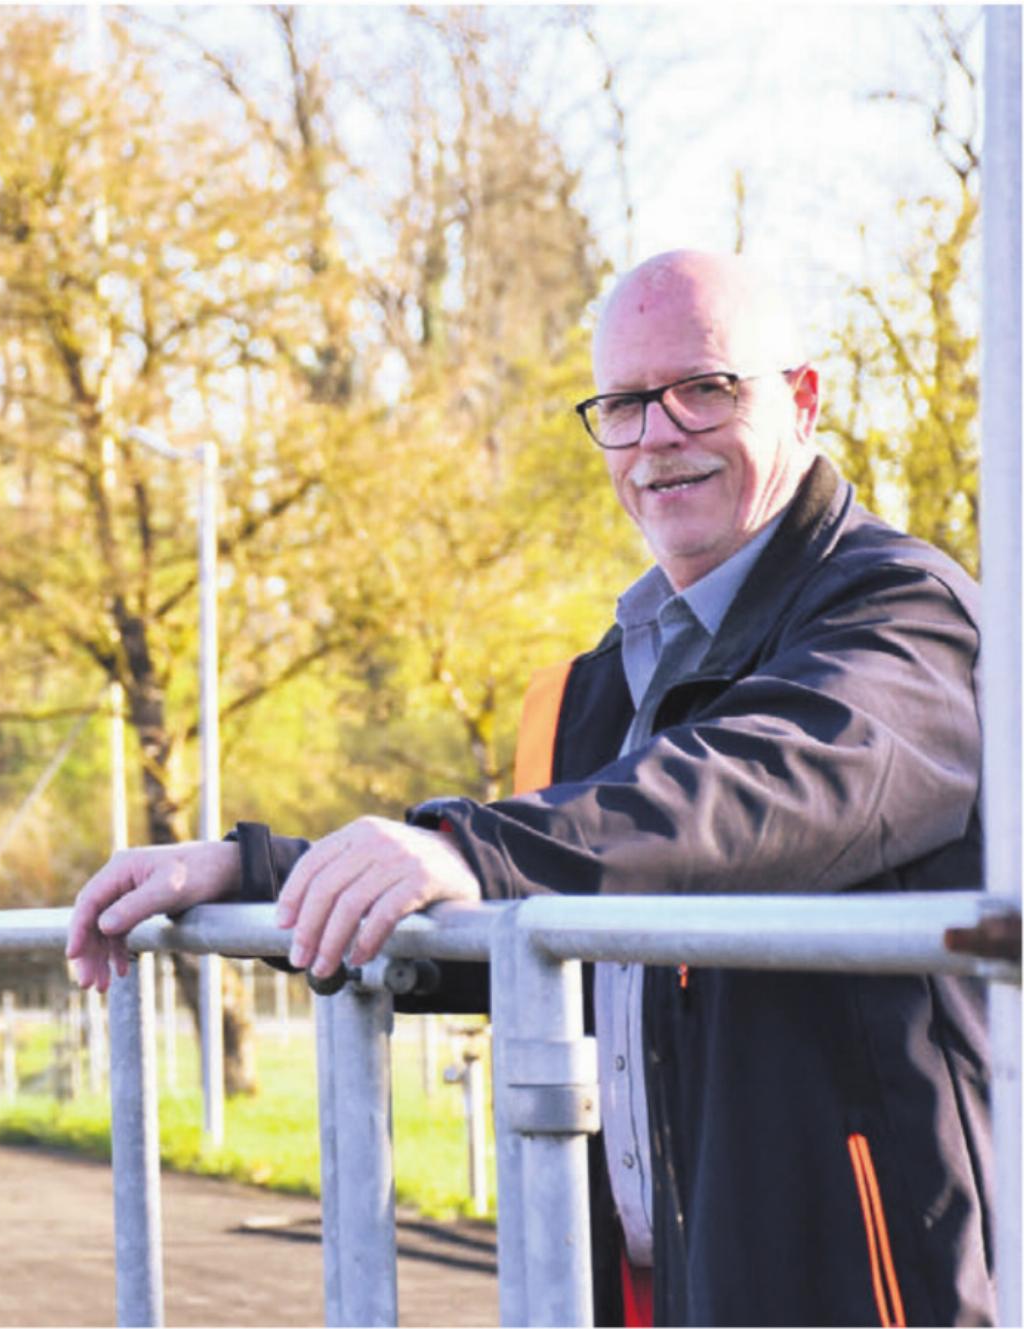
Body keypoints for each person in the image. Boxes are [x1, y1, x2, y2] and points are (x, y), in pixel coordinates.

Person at [65, 250, 993, 1326]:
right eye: (627, 404)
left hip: (863, 1292)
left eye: (705, 389)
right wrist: (255, 873)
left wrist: (473, 848)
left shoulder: (902, 614)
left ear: (802, 398)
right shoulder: (609, 683)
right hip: (653, 1293)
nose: (659, 435)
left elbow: (752, 787)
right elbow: (531, 924)